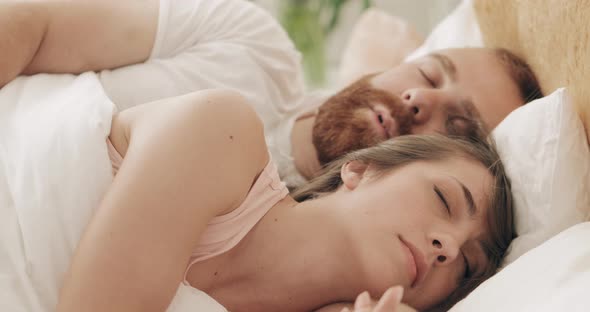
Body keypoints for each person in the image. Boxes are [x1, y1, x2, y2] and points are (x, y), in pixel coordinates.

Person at [56, 89, 515, 312]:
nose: (449, 249)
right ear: (360, 168)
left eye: (467, 266)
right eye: (444, 199)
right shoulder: (222, 135)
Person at [0, 1, 541, 188]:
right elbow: (34, 26)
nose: (421, 101)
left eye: (457, 127)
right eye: (429, 73)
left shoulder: (298, 259)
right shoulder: (251, 45)